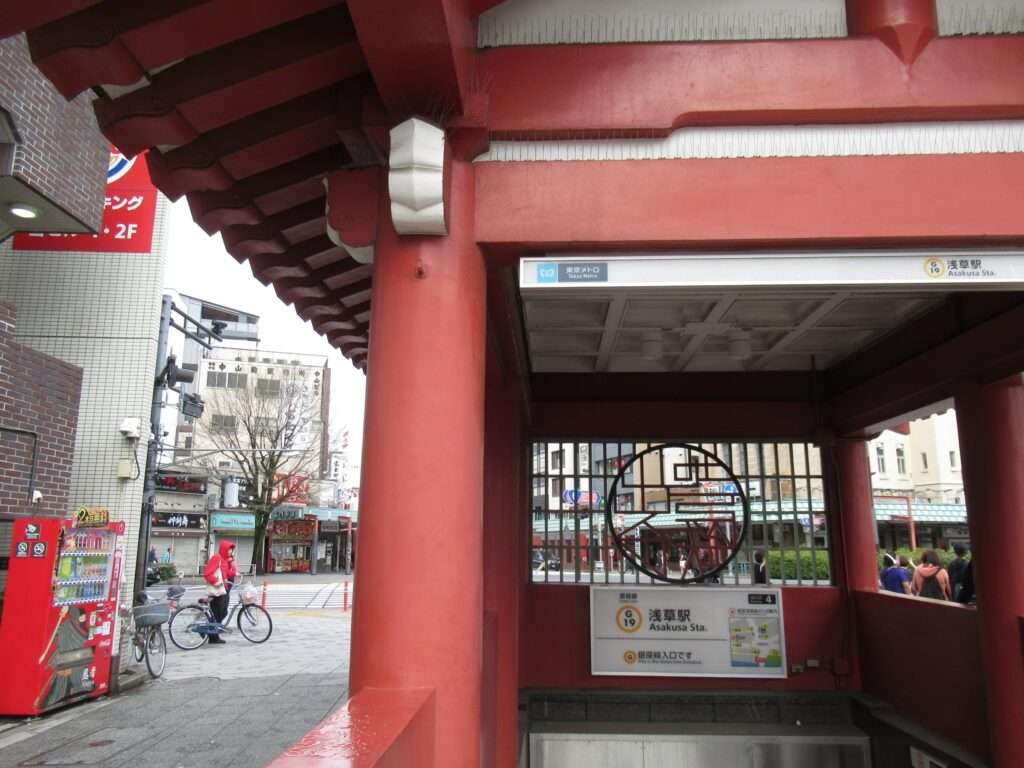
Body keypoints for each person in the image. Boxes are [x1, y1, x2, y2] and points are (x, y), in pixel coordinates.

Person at [203, 539, 238, 644]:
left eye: (231, 550)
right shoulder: (216, 558)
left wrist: (234, 573)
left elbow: (225, 573)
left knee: (222, 613)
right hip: (217, 591)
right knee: (217, 614)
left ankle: (212, 634)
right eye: (229, 549)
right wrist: (216, 581)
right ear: (224, 549)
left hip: (223, 590)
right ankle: (212, 636)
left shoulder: (225, 560)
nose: (231, 552)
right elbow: (207, 573)